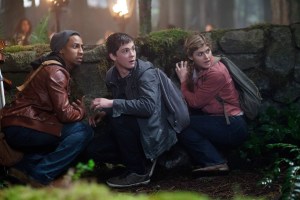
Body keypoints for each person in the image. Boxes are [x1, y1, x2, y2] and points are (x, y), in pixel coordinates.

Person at [1, 30, 93, 187]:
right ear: (61, 50)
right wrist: (81, 112)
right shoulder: (56, 71)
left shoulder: (48, 65)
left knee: (61, 140)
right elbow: (65, 115)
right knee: (83, 131)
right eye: (75, 46)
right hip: (24, 126)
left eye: (82, 47)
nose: (81, 51)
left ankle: (20, 172)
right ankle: (40, 177)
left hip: (19, 124)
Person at [86, 32, 177, 188]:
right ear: (113, 56)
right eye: (125, 51)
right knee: (93, 148)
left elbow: (148, 107)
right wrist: (104, 112)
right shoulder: (111, 76)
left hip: (153, 130)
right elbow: (124, 103)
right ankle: (140, 162)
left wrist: (112, 104)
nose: (132, 55)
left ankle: (138, 172)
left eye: (133, 49)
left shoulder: (145, 73)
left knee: (117, 119)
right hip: (135, 127)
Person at [175, 32, 248, 173]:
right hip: (221, 120)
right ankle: (214, 159)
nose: (207, 57)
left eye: (208, 51)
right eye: (200, 54)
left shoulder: (216, 73)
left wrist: (183, 80)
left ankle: (216, 161)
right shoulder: (199, 68)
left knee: (183, 125)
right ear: (191, 57)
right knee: (183, 121)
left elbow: (195, 102)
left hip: (233, 124)